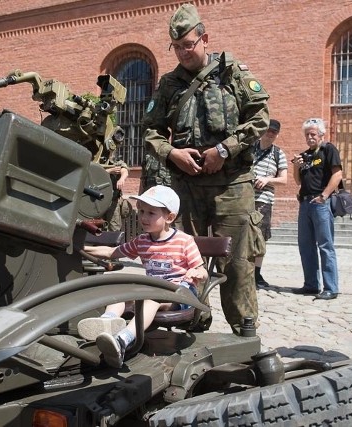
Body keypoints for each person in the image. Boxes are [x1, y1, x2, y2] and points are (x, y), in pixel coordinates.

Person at [141, 3, 269, 335]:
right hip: (188, 187)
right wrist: (173, 154)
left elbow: (260, 119)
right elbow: (151, 131)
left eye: (189, 44)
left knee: (237, 263)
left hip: (233, 185)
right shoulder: (169, 84)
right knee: (183, 261)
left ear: (204, 38)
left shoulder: (233, 74)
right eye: (177, 47)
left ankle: (245, 332)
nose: (183, 52)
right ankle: (191, 325)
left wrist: (225, 149)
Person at [78, 185, 207, 367]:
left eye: (151, 213)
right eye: (141, 211)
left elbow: (202, 271)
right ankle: (106, 324)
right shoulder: (142, 241)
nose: (143, 218)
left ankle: (123, 340)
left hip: (180, 293)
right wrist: (81, 248)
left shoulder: (184, 241)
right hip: (153, 290)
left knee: (151, 300)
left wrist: (196, 272)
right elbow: (111, 252)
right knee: (119, 292)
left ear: (169, 217)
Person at [291, 118, 342, 300]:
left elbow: (337, 174)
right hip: (304, 203)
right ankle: (311, 284)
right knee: (305, 246)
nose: (310, 138)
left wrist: (324, 196)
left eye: (313, 134)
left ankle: (331, 287)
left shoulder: (329, 149)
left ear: (322, 134)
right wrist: (296, 167)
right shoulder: (305, 155)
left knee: (325, 245)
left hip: (320, 203)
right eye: (307, 135)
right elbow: (298, 181)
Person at [253, 119, 287, 289]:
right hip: (244, 199)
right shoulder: (250, 147)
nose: (270, 134)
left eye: (274, 132)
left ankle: (256, 273)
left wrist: (267, 179)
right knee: (242, 236)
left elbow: (284, 179)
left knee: (261, 237)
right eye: (268, 130)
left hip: (264, 201)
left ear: (277, 135)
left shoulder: (278, 153)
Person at [101, 159, 129, 232]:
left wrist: (122, 178)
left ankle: (113, 243)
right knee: (97, 227)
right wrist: (109, 171)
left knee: (114, 228)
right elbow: (91, 173)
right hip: (97, 202)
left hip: (113, 201)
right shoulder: (94, 162)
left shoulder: (116, 162)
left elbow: (124, 170)